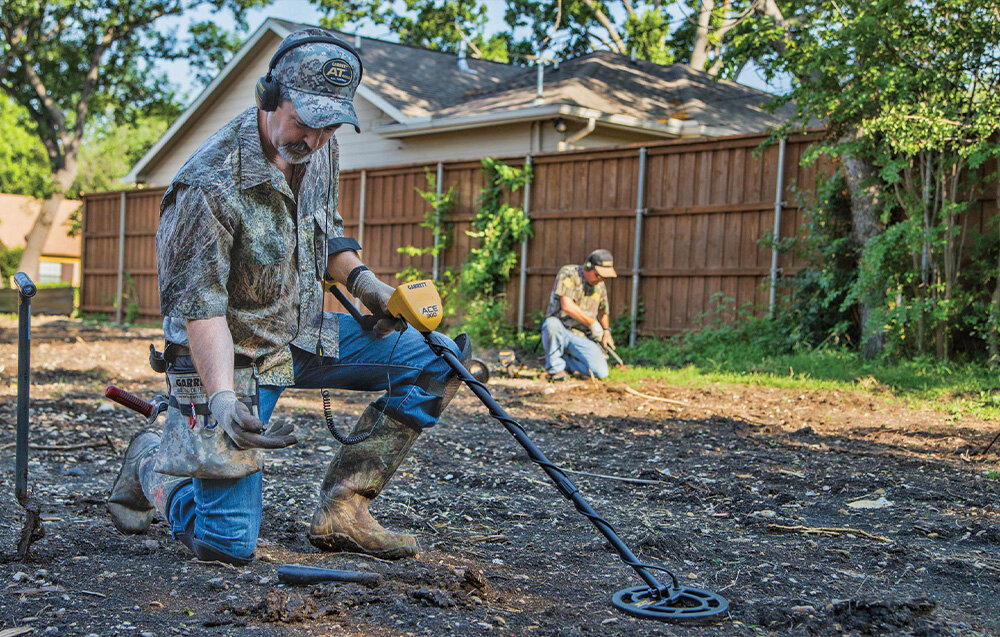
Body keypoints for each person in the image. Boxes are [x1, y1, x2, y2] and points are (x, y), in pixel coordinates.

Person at [106, 28, 468, 566]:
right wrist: (224, 400)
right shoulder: (206, 186)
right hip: (232, 359)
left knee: (436, 355)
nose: (316, 138)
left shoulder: (318, 148)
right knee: (226, 546)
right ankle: (150, 467)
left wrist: (368, 285)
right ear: (268, 98)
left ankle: (344, 508)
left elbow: (324, 234)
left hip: (301, 333)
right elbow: (200, 310)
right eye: (304, 122)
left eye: (330, 126)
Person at [541, 249, 617, 381]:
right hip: (561, 331)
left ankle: (566, 362)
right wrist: (592, 323)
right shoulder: (569, 274)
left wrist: (606, 331)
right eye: (598, 275)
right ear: (588, 267)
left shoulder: (599, 285)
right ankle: (556, 369)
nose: (601, 279)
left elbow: (603, 310)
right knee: (551, 324)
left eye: (603, 277)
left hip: (582, 336)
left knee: (601, 372)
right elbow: (567, 305)